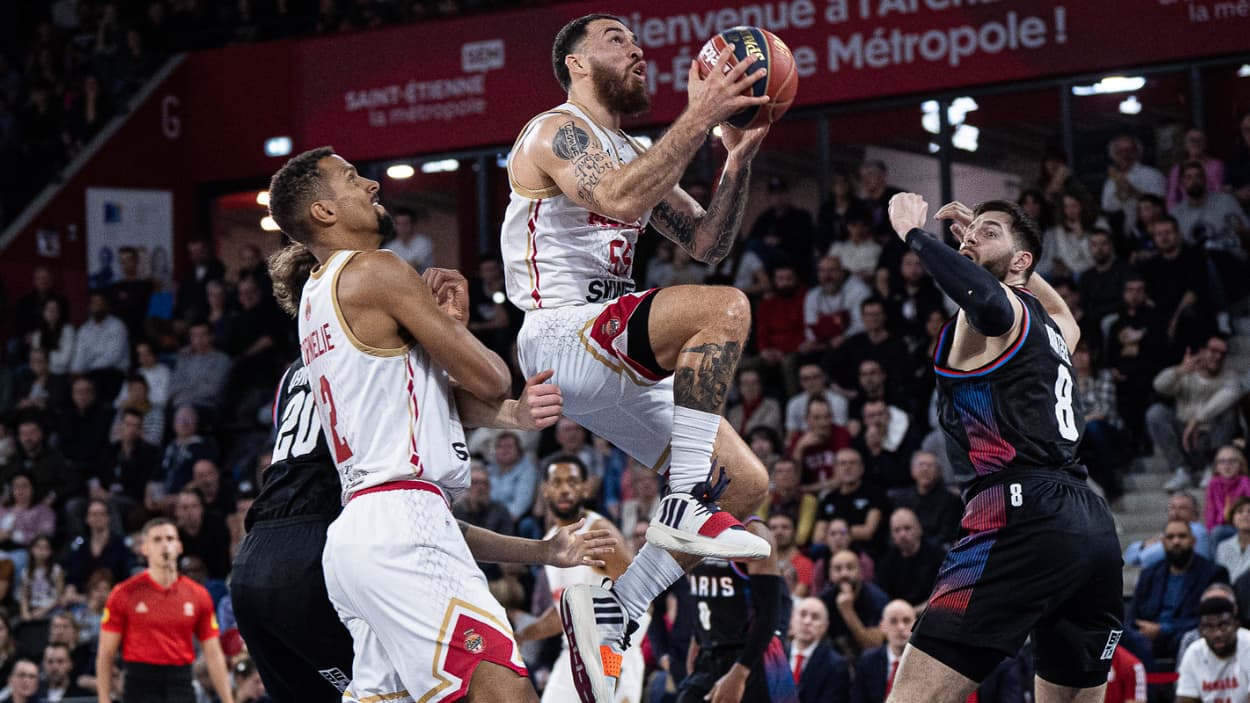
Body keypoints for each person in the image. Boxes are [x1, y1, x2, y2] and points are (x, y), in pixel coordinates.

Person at [265, 146, 613, 703]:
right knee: (506, 690)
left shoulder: (315, 297)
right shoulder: (375, 270)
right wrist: (453, 326)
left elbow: (414, 390)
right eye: (353, 179)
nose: (371, 186)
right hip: (402, 525)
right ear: (324, 212)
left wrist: (509, 416)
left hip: (357, 535)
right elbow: (492, 375)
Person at [500, 15, 776, 702]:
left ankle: (617, 608)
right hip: (560, 332)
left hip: (610, 349)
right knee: (726, 308)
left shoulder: (632, 147)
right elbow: (619, 196)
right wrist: (700, 114)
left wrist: (736, 159)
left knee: (744, 483)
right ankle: (683, 502)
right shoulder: (554, 130)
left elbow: (707, 242)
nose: (639, 49)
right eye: (617, 39)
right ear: (576, 62)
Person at [882, 193, 1122, 702]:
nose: (971, 236)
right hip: (1090, 527)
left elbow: (988, 301)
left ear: (1020, 262)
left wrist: (913, 234)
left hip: (1016, 513)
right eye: (973, 231)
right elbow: (1057, 304)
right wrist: (986, 239)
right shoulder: (1053, 325)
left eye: (990, 232)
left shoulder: (995, 309)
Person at [515, 455, 639, 703]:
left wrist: (612, 661)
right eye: (557, 482)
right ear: (545, 490)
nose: (565, 490)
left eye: (572, 482)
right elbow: (563, 613)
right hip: (572, 654)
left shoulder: (598, 532)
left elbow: (640, 596)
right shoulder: (553, 539)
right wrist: (521, 636)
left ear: (585, 488)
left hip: (610, 653)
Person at [97, 518, 233, 703]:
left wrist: (228, 700)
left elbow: (213, 653)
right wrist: (103, 699)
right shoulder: (124, 593)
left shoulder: (198, 594)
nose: (164, 545)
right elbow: (106, 654)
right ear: (144, 548)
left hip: (181, 680)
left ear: (179, 546)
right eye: (157, 539)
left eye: (170, 538)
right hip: (140, 682)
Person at [675, 518, 795, 703]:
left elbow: (771, 614)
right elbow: (704, 600)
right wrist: (698, 639)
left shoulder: (753, 532)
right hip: (709, 652)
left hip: (750, 656)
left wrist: (742, 671)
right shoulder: (694, 530)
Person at [1129, 519, 1229, 658]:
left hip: (1184, 635)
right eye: (1170, 537)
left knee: (1186, 639)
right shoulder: (1149, 574)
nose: (1176, 541)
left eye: (1182, 536)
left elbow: (1211, 616)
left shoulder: (1213, 573)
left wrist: (1163, 630)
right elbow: (1132, 614)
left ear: (1193, 541)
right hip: (1147, 636)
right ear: (1163, 543)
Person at [1175, 598, 1250, 703]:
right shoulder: (1193, 653)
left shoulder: (1248, 644)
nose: (1217, 634)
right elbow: (1185, 699)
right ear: (1200, 631)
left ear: (1236, 625)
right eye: (1209, 627)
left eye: (1223, 625)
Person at [788, 597, 850, 703]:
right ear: (792, 619)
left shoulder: (836, 665)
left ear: (825, 626)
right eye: (802, 614)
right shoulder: (775, 656)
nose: (807, 621)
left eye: (815, 617)